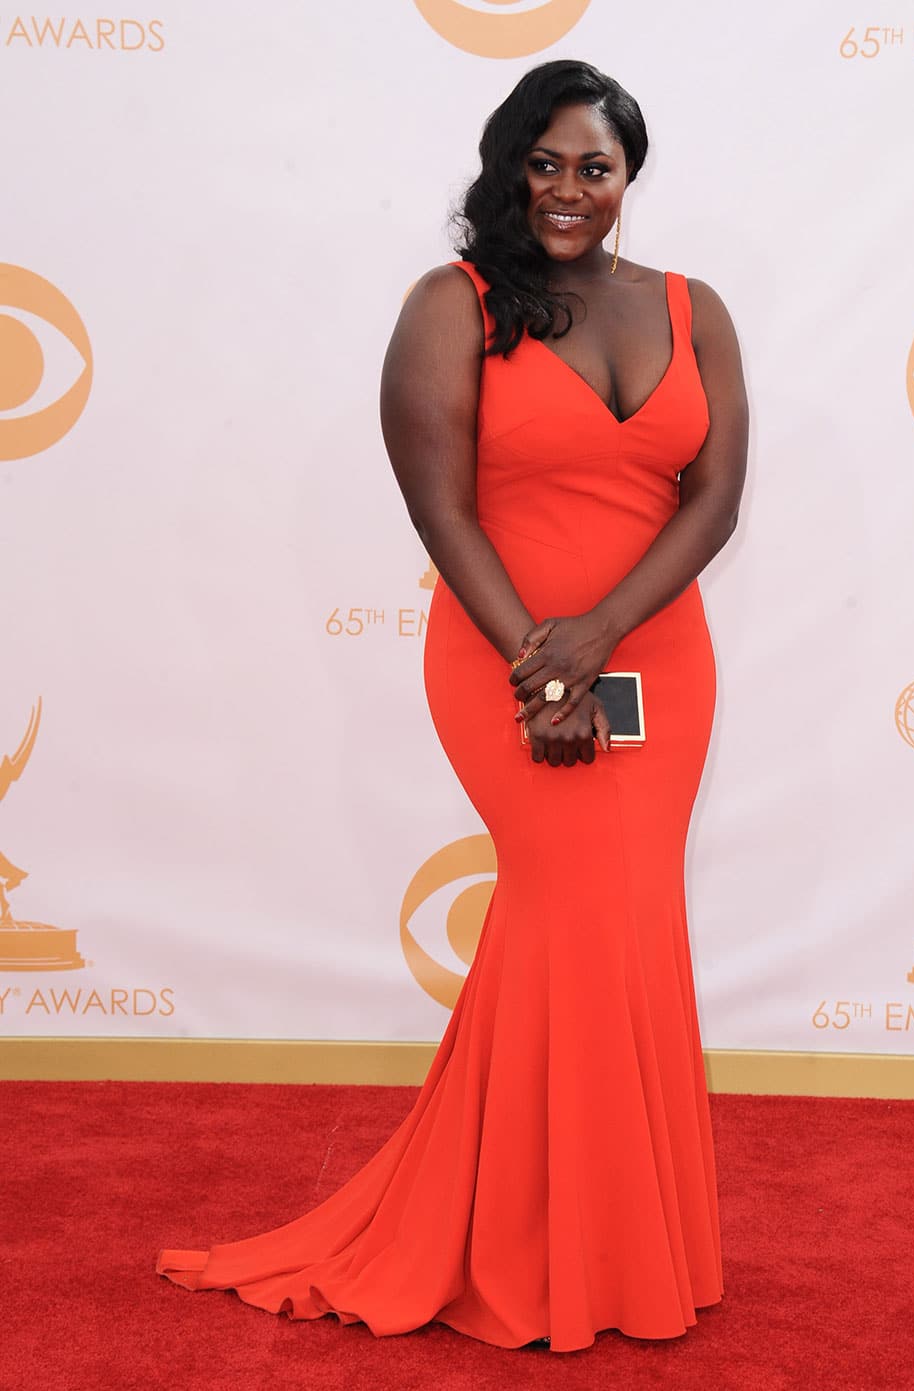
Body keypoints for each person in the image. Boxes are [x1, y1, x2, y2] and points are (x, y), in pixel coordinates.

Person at [157, 58, 748, 1353]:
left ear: (629, 178)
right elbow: (442, 506)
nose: (569, 190)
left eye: (596, 166)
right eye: (544, 163)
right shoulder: (456, 304)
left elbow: (713, 499)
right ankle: (540, 1249)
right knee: (567, 914)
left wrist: (598, 638)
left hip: (661, 663)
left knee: (629, 925)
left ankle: (625, 1241)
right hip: (499, 659)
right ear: (508, 167)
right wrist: (545, 667)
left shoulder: (693, 308)